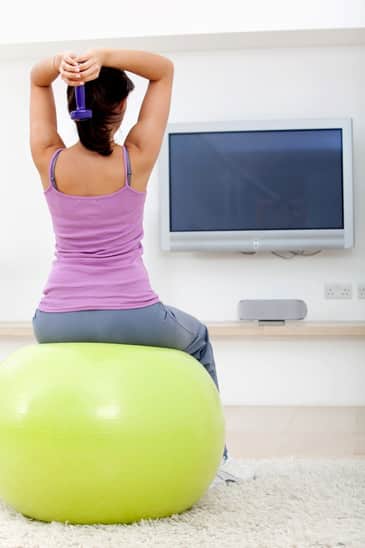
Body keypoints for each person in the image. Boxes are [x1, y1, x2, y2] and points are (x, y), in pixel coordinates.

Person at [30, 48, 242, 484]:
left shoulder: (49, 160)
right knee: (198, 338)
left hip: (55, 322)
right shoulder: (134, 159)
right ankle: (218, 462)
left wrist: (60, 66)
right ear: (123, 107)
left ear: (72, 106)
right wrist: (104, 55)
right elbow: (163, 70)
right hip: (134, 316)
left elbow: (35, 80)